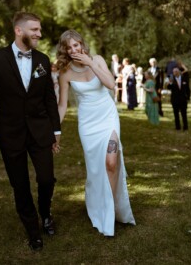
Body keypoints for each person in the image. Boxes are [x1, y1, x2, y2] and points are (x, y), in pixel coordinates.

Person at [0, 12, 61, 252]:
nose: (39, 33)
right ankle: (33, 230)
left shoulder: (43, 60)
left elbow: (49, 98)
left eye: (39, 29)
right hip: (9, 132)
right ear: (19, 30)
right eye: (34, 29)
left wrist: (56, 129)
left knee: (46, 178)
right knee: (20, 184)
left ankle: (45, 213)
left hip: (40, 130)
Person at [56, 30, 135, 237]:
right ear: (65, 50)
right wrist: (54, 130)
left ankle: (110, 212)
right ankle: (99, 205)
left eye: (76, 45)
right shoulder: (66, 72)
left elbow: (110, 84)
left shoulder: (97, 59)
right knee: (95, 168)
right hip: (88, 124)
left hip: (108, 118)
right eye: (69, 47)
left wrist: (91, 64)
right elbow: (62, 105)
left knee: (111, 162)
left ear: (82, 44)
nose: (74, 50)